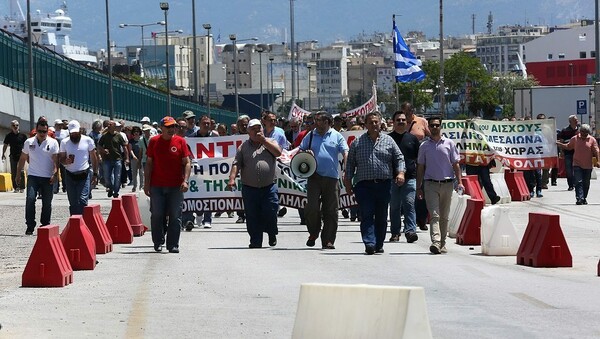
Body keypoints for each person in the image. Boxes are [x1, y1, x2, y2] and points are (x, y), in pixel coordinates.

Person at [344, 112, 405, 255]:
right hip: (364, 186)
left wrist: (400, 173)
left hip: (384, 185)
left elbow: (399, 158)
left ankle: (379, 243)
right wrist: (348, 182)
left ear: (380, 123)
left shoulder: (389, 141)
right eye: (371, 122)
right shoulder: (357, 142)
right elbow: (350, 165)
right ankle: (369, 243)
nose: (374, 125)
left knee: (381, 216)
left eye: (376, 122)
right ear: (366, 125)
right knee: (367, 214)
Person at [227, 119, 282, 248]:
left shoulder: (270, 142)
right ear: (248, 132)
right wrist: (232, 179)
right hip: (250, 188)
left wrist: (264, 141)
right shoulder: (243, 147)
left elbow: (278, 153)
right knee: (252, 215)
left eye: (259, 128)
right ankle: (255, 240)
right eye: (253, 128)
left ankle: (271, 232)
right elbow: (236, 164)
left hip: (269, 186)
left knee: (271, 211)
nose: (257, 130)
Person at [299, 111, 348, 249]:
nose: (317, 123)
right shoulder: (310, 136)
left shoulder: (336, 136)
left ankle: (328, 240)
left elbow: (345, 151)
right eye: (316, 120)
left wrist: (346, 169)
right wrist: (305, 153)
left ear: (328, 122)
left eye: (320, 120)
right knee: (312, 207)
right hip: (313, 177)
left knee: (331, 210)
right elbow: (300, 151)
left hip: (331, 178)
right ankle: (313, 232)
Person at [416, 116, 465, 255]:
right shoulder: (424, 146)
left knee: (444, 216)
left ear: (440, 127)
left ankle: (443, 243)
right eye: (432, 125)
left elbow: (456, 164)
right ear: (428, 127)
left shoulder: (449, 144)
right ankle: (435, 242)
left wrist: (460, 182)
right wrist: (418, 186)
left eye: (437, 125)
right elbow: (420, 167)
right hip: (430, 184)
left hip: (447, 184)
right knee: (435, 215)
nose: (434, 127)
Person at [144, 116, 191, 253]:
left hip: (176, 186)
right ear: (161, 128)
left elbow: (187, 162)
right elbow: (149, 164)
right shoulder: (154, 142)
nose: (172, 129)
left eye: (174, 127)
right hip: (157, 185)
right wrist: (146, 184)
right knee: (157, 214)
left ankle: (173, 244)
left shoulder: (180, 142)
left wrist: (185, 180)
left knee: (175, 215)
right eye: (168, 127)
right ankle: (158, 242)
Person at [16, 119, 59, 235]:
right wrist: (18, 174)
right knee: (30, 199)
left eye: (44, 132)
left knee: (47, 202)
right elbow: (22, 158)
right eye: (40, 131)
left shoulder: (53, 142)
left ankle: (45, 224)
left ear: (47, 131)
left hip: (47, 177)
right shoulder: (29, 142)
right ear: (36, 130)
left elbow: (55, 160)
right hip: (33, 176)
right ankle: (30, 225)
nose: (42, 134)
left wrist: (55, 174)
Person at [388, 111, 420, 243]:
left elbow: (419, 160)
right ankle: (395, 233)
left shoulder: (413, 139)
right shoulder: (388, 139)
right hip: (392, 179)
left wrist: (420, 179)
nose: (401, 122)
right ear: (393, 122)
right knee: (395, 207)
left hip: (410, 178)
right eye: (398, 120)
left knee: (409, 205)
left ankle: (410, 231)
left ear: (406, 122)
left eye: (403, 120)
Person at [59, 120, 98, 215]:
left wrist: (95, 174)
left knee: (82, 201)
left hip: (84, 174)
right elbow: (61, 158)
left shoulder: (88, 140)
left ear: (80, 131)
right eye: (72, 133)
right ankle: (74, 223)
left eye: (76, 132)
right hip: (70, 174)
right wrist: (65, 161)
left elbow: (93, 157)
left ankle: (83, 223)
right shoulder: (64, 142)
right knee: (73, 203)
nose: (74, 135)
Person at [402, 102, 430, 232]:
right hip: (407, 162)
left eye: (407, 112)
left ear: (412, 111)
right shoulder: (401, 123)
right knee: (409, 192)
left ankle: (422, 219)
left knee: (422, 189)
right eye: (403, 112)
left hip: (422, 162)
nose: (405, 115)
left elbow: (430, 136)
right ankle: (409, 219)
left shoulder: (421, 121)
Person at [187, 115, 219, 229]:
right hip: (196, 170)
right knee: (196, 193)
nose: (206, 125)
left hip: (210, 170)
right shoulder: (191, 138)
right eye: (204, 123)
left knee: (208, 192)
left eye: (208, 123)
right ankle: (198, 213)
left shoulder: (215, 137)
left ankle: (207, 219)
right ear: (199, 124)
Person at [557, 124, 600, 205]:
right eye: (583, 132)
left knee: (586, 183)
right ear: (580, 131)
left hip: (588, 165)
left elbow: (596, 151)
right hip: (577, 164)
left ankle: (584, 197)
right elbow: (569, 146)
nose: (584, 134)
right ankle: (579, 198)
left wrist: (598, 161)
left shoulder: (592, 140)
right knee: (578, 181)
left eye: (586, 132)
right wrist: (560, 145)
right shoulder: (575, 139)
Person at [97, 120, 129, 198]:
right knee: (107, 177)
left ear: (114, 126)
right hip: (107, 159)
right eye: (108, 124)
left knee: (117, 176)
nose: (108, 125)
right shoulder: (104, 136)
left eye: (110, 124)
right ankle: (110, 187)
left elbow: (124, 147)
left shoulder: (118, 136)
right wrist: (103, 150)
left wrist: (127, 158)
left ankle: (116, 192)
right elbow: (99, 146)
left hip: (117, 159)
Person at [2, 120, 27, 193]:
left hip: (21, 156)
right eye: (13, 125)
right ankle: (16, 187)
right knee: (14, 172)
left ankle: (22, 187)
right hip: (13, 156)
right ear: (11, 127)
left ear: (19, 126)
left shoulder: (23, 136)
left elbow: (27, 146)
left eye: (17, 125)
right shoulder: (9, 136)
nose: (15, 127)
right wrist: (3, 153)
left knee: (21, 171)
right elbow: (5, 145)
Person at [558, 115, 579, 191]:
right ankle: (571, 185)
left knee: (578, 170)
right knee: (569, 170)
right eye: (574, 120)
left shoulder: (580, 130)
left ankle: (577, 184)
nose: (577, 121)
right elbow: (561, 141)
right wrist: (561, 151)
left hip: (578, 153)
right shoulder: (565, 130)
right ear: (570, 121)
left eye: (577, 119)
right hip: (568, 153)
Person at [129, 126, 144, 192]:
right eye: (135, 132)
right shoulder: (131, 141)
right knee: (134, 173)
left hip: (141, 158)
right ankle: (134, 186)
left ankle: (142, 186)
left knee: (141, 173)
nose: (136, 133)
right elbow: (130, 149)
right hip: (134, 159)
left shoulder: (142, 140)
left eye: (137, 132)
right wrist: (133, 156)